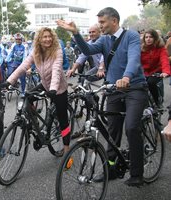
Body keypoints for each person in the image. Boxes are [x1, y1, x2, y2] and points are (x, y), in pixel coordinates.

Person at [57, 7, 148, 186]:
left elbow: (134, 59)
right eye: (99, 22)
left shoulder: (131, 36)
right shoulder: (105, 40)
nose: (100, 26)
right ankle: (111, 169)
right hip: (113, 89)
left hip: (134, 87)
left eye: (102, 22)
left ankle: (137, 173)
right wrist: (75, 33)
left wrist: (127, 77)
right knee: (112, 131)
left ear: (114, 21)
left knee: (131, 127)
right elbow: (88, 50)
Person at [5, 27, 71, 152]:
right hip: (45, 85)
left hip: (58, 88)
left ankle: (67, 148)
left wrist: (53, 89)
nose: (47, 39)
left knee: (63, 119)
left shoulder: (57, 50)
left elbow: (57, 70)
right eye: (44, 37)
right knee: (27, 98)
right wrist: (9, 81)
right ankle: (34, 124)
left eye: (49, 36)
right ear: (39, 39)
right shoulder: (35, 51)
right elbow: (24, 65)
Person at [141, 29, 170, 106]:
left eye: (151, 37)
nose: (148, 39)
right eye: (146, 37)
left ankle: (157, 103)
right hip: (144, 72)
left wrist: (165, 71)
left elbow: (164, 60)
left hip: (156, 71)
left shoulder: (160, 48)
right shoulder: (141, 48)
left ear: (155, 38)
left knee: (151, 82)